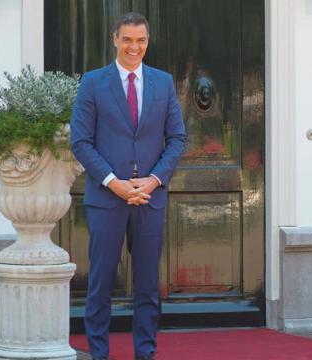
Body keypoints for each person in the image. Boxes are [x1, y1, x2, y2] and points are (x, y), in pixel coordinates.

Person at [70, 12, 186, 360]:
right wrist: (114, 183)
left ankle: (145, 354)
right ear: (114, 40)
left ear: (147, 42)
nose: (134, 47)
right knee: (100, 285)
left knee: (148, 286)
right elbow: (80, 142)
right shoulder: (93, 83)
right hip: (106, 199)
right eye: (127, 39)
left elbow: (177, 139)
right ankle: (99, 355)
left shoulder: (163, 83)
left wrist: (152, 180)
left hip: (150, 199)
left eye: (141, 40)